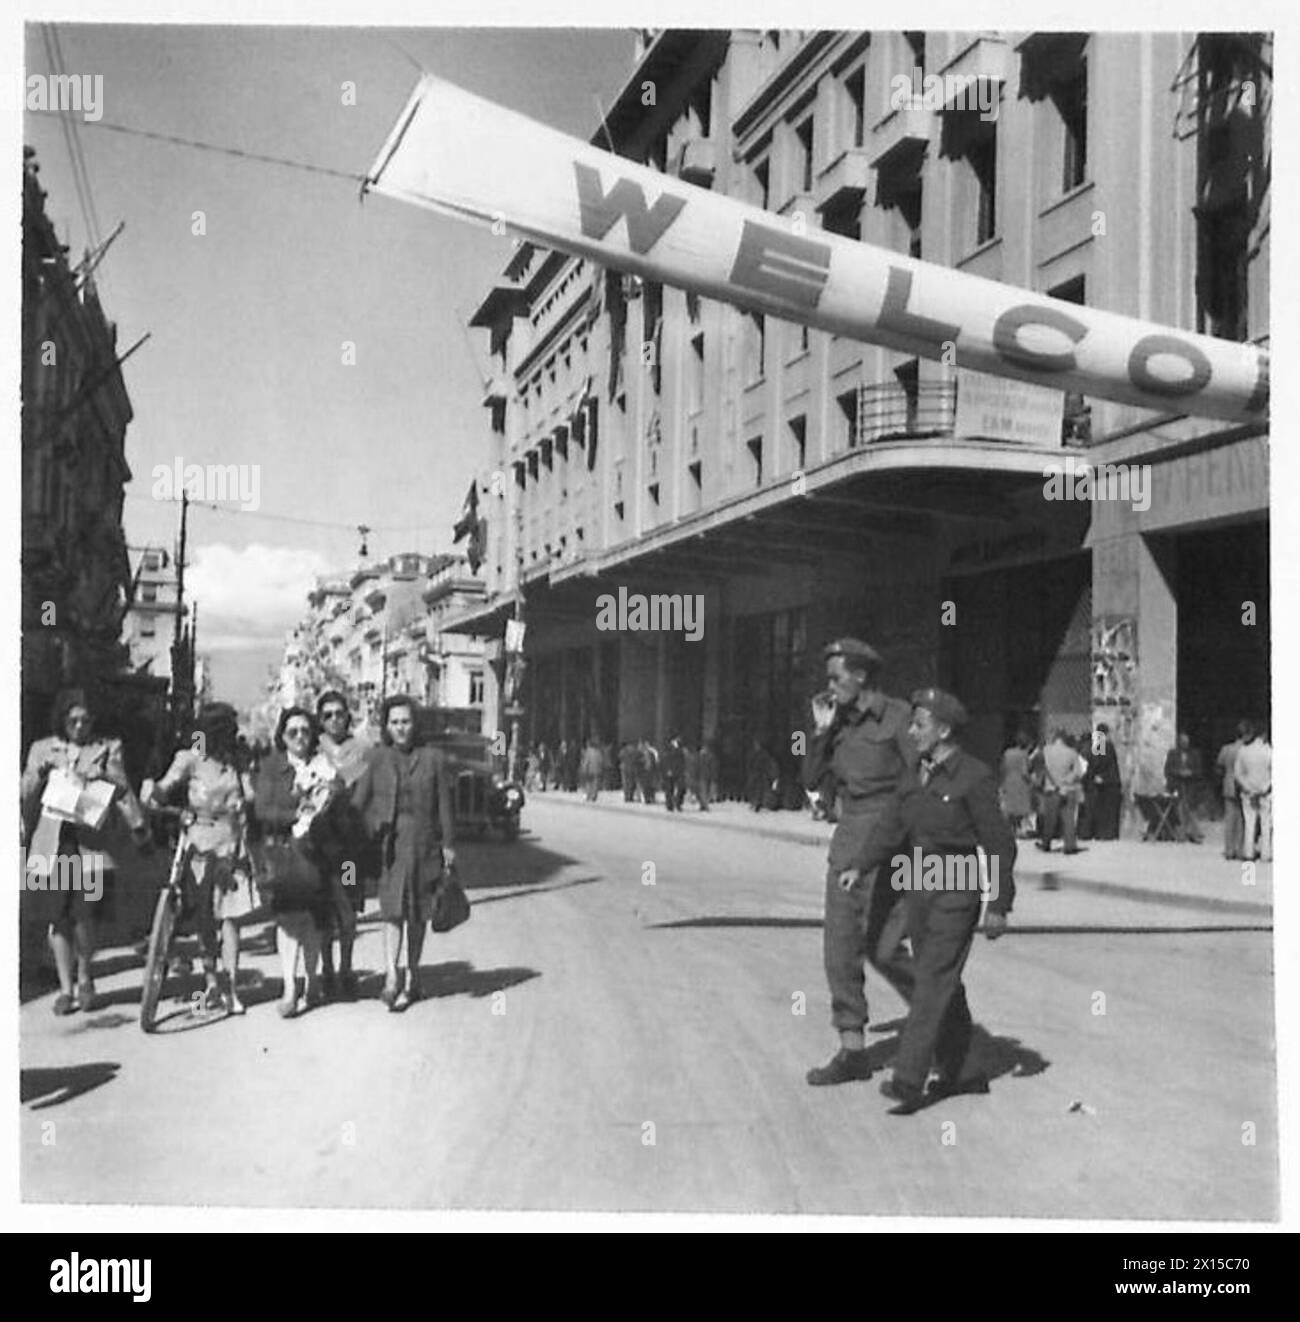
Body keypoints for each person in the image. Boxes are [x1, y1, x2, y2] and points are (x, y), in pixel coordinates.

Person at [849, 689, 1015, 1114]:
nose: (912, 731)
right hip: (919, 885)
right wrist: (862, 864)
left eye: (919, 724)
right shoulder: (916, 773)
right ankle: (964, 1073)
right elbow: (891, 824)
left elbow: (999, 845)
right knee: (922, 970)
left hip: (956, 890)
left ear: (943, 730)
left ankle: (909, 1077)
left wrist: (999, 902)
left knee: (933, 980)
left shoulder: (974, 777)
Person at [801, 639, 918, 1086]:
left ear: (861, 676)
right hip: (849, 841)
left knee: (886, 947)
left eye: (836, 677)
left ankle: (939, 1018)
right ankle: (852, 1050)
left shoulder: (899, 717)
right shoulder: (837, 723)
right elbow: (812, 780)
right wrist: (821, 732)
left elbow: (918, 780)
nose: (828, 687)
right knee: (840, 949)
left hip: (891, 842)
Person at [20, 690, 150, 1015]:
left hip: (91, 844)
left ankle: (85, 976)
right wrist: (39, 773)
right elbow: (22, 792)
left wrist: (137, 825)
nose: (79, 726)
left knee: (85, 915)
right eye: (73, 720)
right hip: (50, 843)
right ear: (62, 720)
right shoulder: (42, 748)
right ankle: (65, 989)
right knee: (57, 917)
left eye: (85, 720)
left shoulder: (106, 748)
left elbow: (123, 791)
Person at [146, 703, 259, 1014]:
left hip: (231, 843)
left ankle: (232, 986)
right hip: (198, 842)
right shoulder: (190, 759)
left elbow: (250, 795)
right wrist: (152, 793)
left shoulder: (237, 761)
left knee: (231, 919)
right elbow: (164, 788)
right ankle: (211, 982)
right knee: (204, 917)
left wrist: (245, 792)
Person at [352, 695, 456, 1012]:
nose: (401, 728)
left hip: (424, 843)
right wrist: (367, 830)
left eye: (406, 721)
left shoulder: (433, 758)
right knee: (393, 911)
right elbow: (359, 803)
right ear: (386, 726)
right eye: (394, 722)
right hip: (391, 846)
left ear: (415, 724)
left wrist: (449, 845)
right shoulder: (375, 757)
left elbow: (444, 807)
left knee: (419, 914)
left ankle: (413, 975)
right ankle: (391, 977)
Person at [253, 708, 346, 1018]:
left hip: (318, 850)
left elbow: (340, 810)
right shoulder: (271, 768)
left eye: (305, 731)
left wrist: (330, 801)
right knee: (289, 920)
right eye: (292, 732)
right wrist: (296, 812)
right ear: (282, 737)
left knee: (315, 920)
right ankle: (290, 988)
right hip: (286, 851)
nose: (300, 738)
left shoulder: (325, 766)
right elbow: (262, 811)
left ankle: (312, 981)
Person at [315, 691, 373, 1000]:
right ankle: (326, 970)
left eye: (339, 713)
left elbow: (365, 794)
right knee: (324, 911)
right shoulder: (314, 749)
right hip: (320, 847)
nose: (335, 719)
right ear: (320, 719)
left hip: (350, 848)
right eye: (328, 715)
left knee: (348, 911)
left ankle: (347, 969)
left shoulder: (362, 749)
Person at [1038, 728, 1082, 854]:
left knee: (1050, 819)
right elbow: (1078, 772)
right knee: (1068, 818)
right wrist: (1066, 780)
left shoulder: (1046, 751)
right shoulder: (1072, 753)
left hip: (1051, 788)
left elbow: (1039, 765)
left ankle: (1046, 843)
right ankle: (1070, 845)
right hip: (1067, 789)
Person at [1234, 722, 1271, 862]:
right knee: (1266, 824)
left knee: (1249, 824)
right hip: (1265, 793)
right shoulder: (1268, 750)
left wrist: (1247, 787)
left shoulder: (1244, 751)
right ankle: (1266, 853)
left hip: (1248, 793)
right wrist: (1266, 787)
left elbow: (1238, 774)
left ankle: (1248, 853)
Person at [1216, 721, 1250, 860]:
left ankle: (1229, 849)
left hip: (1229, 784)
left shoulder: (1226, 749)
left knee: (1230, 818)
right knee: (1242, 819)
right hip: (1243, 785)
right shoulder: (1247, 750)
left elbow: (1219, 766)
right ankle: (1240, 848)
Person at [1164, 731, 1204, 843]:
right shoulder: (1172, 753)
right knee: (1179, 809)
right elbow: (1168, 769)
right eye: (1182, 742)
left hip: (1191, 785)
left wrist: (1190, 773)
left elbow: (1199, 771)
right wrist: (1178, 772)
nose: (1185, 744)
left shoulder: (1195, 754)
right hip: (1177, 784)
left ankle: (1193, 833)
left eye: (1186, 742)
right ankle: (1182, 833)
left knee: (1190, 809)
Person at [1087, 723, 1122, 840]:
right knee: (1109, 809)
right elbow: (1103, 763)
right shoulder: (1105, 744)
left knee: (1103, 808)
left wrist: (1096, 775)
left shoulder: (1100, 745)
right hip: (1110, 781)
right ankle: (1108, 833)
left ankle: (1102, 833)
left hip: (1104, 781)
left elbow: (1097, 763)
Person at [998, 731, 1034, 838]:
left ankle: (1009, 830)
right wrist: (1030, 781)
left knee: (1010, 806)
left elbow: (1002, 768)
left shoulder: (1007, 753)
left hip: (1008, 780)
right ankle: (1020, 830)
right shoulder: (1024, 755)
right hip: (1020, 783)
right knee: (1021, 808)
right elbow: (1024, 771)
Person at [746, 738, 779, 812]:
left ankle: (758, 803)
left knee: (759, 789)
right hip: (761, 777)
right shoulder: (759, 754)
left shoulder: (762, 755)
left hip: (762, 777)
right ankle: (757, 803)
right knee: (759, 789)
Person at [661, 735, 686, 811]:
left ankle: (675, 804)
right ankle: (671, 804)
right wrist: (668, 770)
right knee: (670, 789)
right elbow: (666, 760)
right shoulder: (670, 750)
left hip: (677, 771)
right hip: (672, 772)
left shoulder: (680, 750)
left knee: (679, 789)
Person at [579, 738, 604, 802]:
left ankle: (589, 795)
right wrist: (600, 768)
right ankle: (594, 795)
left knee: (589, 783)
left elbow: (586, 761)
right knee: (595, 783)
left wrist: (584, 769)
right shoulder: (598, 752)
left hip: (589, 770)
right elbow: (601, 761)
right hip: (597, 769)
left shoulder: (588, 752)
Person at [637, 738, 659, 804]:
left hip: (648, 771)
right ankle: (649, 798)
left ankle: (649, 798)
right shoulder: (649, 752)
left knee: (648, 786)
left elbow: (655, 761)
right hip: (648, 771)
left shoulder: (650, 751)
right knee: (647, 786)